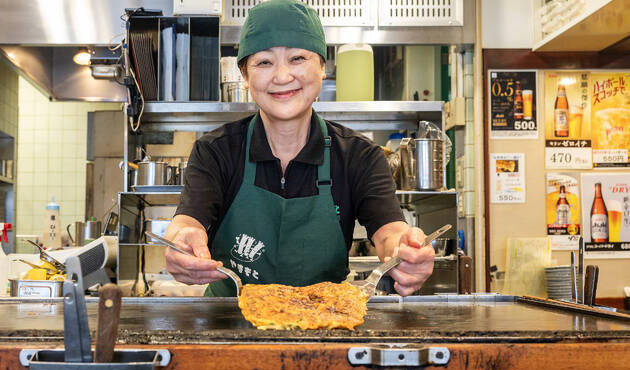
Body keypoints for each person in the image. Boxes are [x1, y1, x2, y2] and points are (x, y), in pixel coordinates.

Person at [163, 0, 435, 297]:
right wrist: (181, 241)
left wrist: (405, 251)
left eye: (297, 58)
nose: (282, 77)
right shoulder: (215, 151)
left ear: (322, 67)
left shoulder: (359, 156)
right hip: (227, 328)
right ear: (245, 75)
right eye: (264, 62)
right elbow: (188, 223)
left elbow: (389, 234)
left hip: (326, 325)